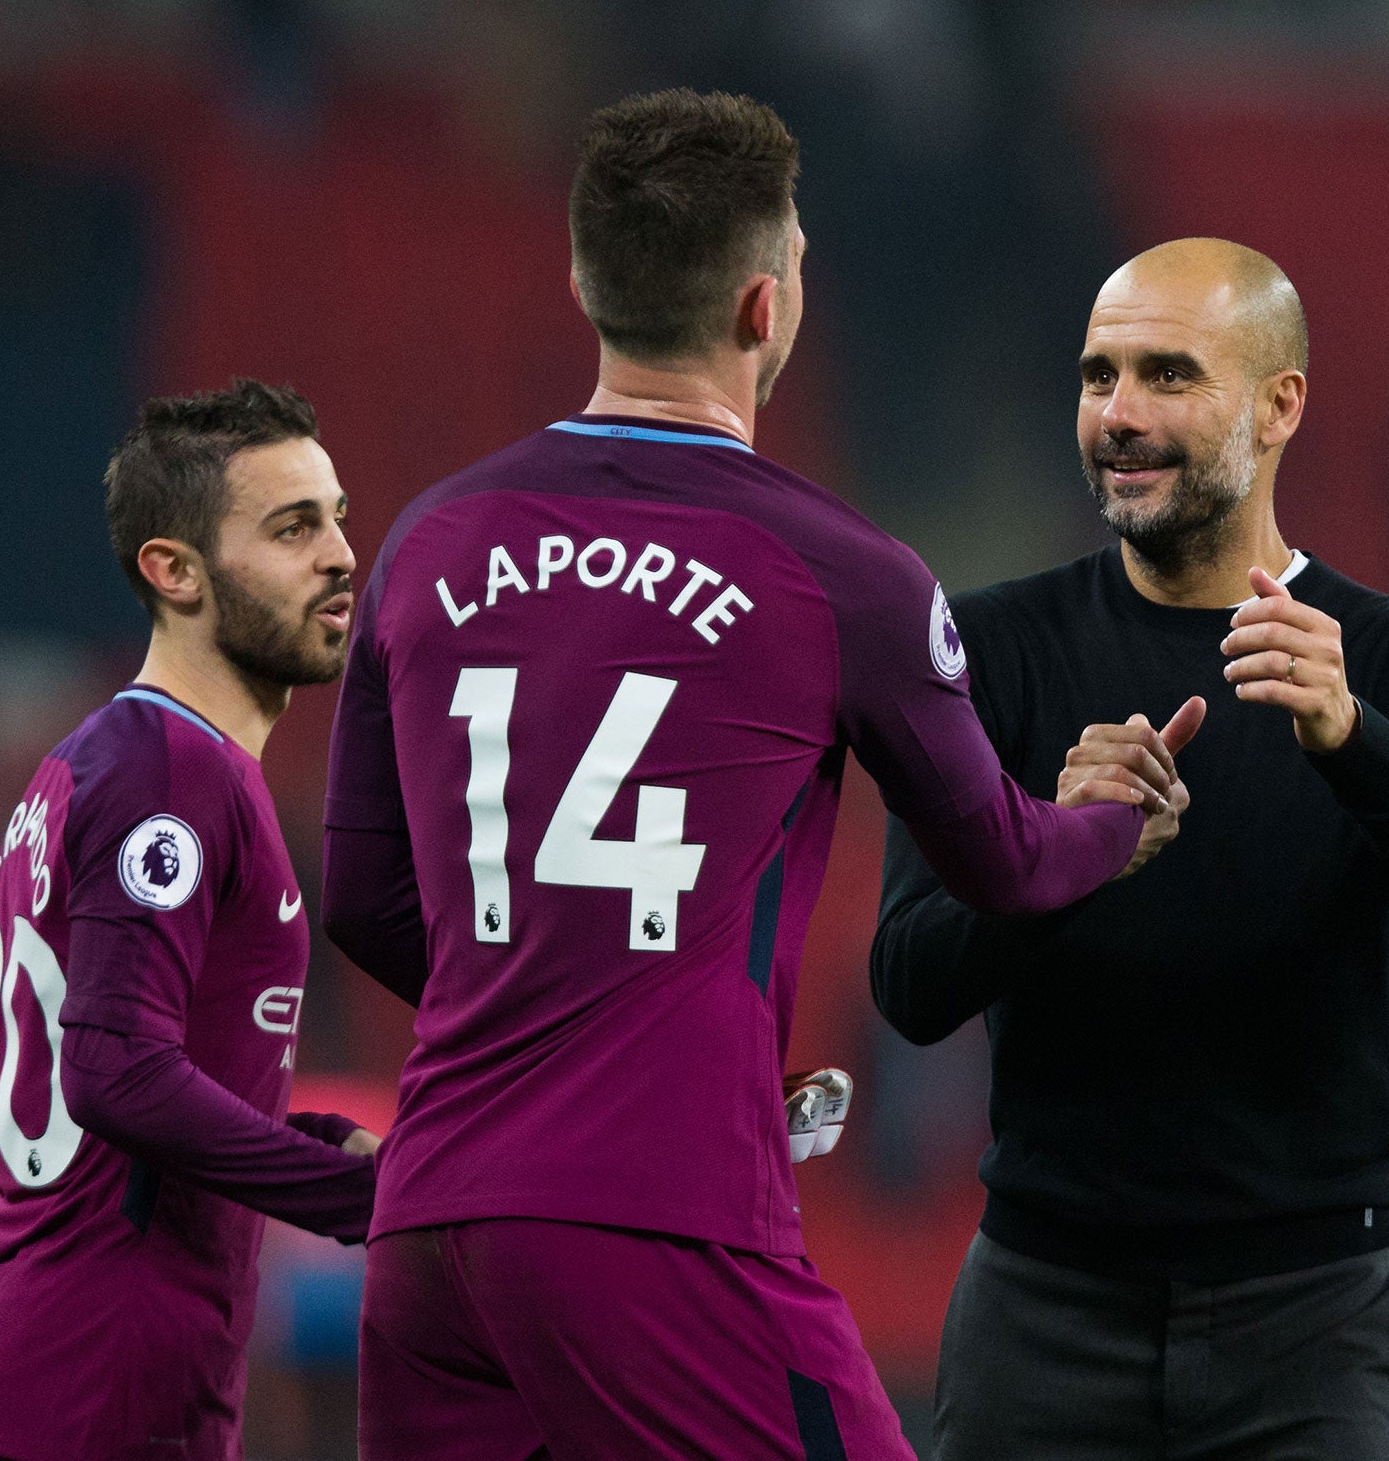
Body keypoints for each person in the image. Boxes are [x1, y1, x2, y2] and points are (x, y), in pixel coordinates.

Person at [321, 89, 1188, 1461]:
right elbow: (1007, 866)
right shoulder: (841, 575)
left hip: (431, 1229)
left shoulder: (428, 544)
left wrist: (603, 1029)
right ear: (767, 304)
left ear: (583, 284)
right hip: (654, 1219)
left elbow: (366, 900)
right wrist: (1112, 822)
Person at [872, 238, 1389, 1460]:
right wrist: (1055, 851)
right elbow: (909, 984)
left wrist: (1356, 739)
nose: (1118, 415)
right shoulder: (989, 648)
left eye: (1167, 375)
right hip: (1044, 1312)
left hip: (1316, 1323)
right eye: (1098, 376)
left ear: (1278, 402)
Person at [0, 380, 380, 1461]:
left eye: (336, 518)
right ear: (173, 570)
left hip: (73, 1368)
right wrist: (353, 1195)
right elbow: (116, 1071)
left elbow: (139, 1076)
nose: (338, 556)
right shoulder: (168, 771)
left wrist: (317, 1139)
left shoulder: (121, 763)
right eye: (290, 528)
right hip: (95, 1380)